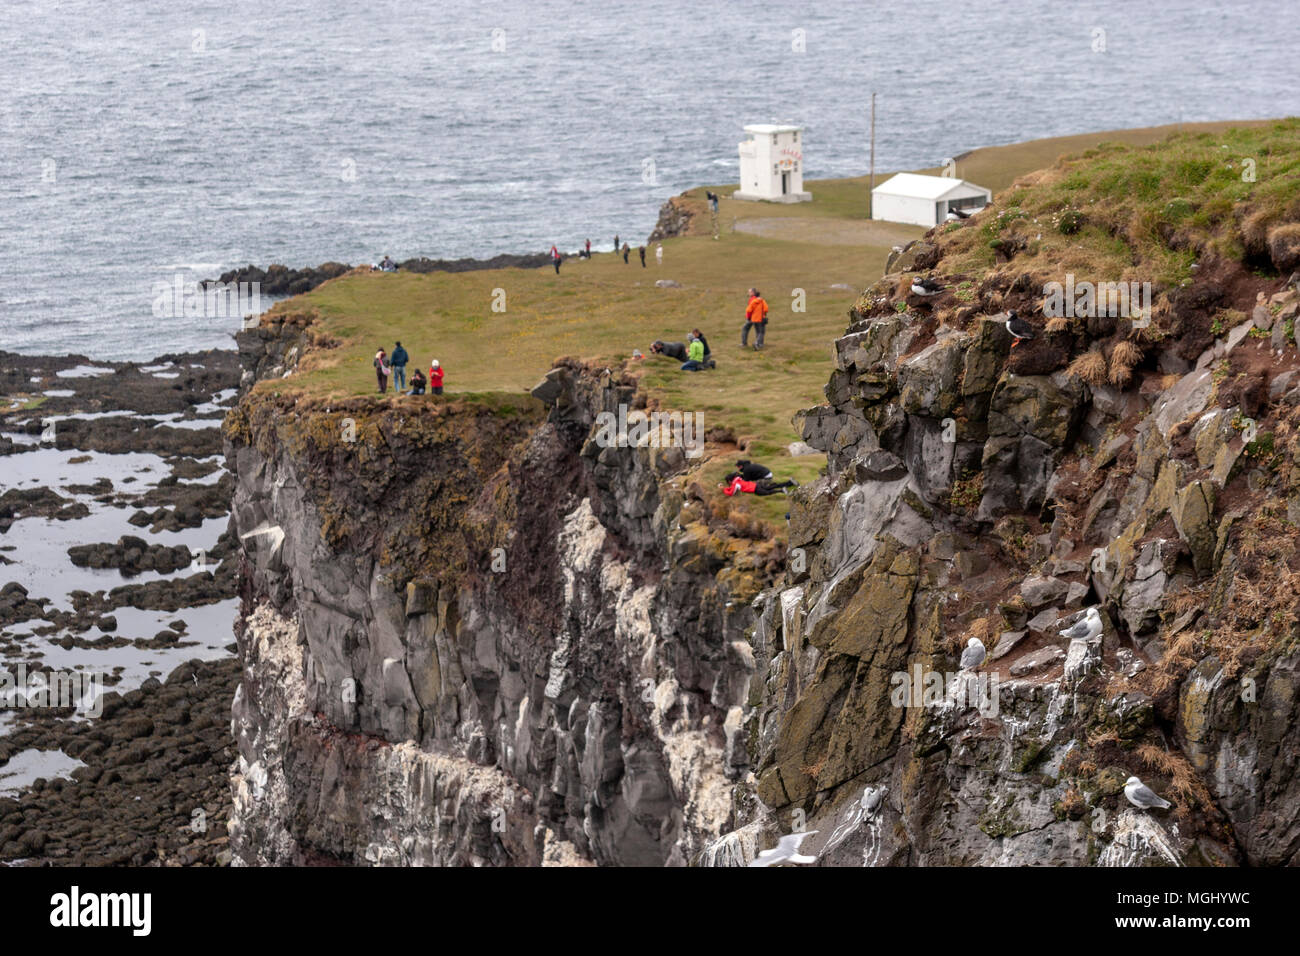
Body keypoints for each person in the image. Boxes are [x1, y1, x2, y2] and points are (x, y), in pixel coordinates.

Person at [720, 473, 797, 496]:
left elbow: (731, 493)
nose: (728, 483)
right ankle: (790, 483)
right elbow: (732, 487)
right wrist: (726, 488)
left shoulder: (735, 484)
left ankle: (782, 491)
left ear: (730, 481)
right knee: (771, 486)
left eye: (728, 481)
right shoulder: (738, 479)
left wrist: (723, 489)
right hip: (756, 485)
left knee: (768, 492)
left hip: (755, 489)